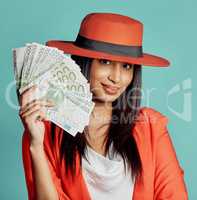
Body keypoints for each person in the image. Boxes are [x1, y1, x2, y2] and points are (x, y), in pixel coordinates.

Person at [20, 13, 188, 200]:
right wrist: (35, 144)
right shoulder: (46, 130)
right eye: (105, 62)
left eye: (126, 66)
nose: (116, 78)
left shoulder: (151, 126)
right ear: (83, 63)